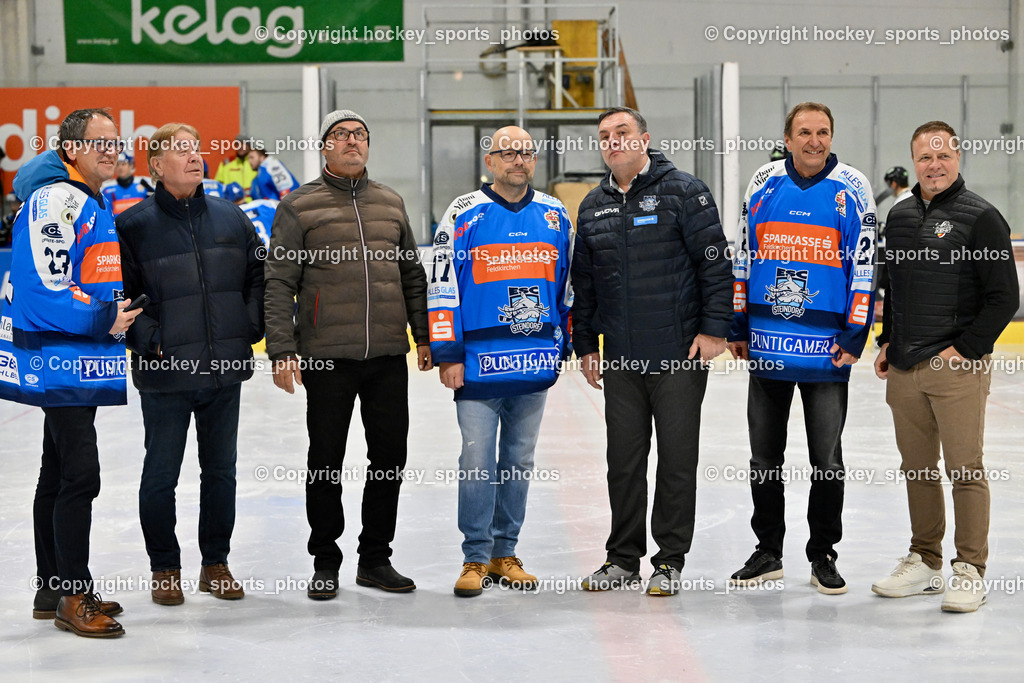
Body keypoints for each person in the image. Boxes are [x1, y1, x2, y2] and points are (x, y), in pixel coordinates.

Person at [264, 109, 431, 600]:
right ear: (324, 147)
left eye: (359, 134)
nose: (352, 141)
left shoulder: (390, 202)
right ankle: (325, 559)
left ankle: (376, 558)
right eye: (340, 135)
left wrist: (424, 336)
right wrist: (281, 349)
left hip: (384, 354)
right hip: (326, 355)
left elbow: (411, 276)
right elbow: (279, 281)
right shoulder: (298, 206)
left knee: (388, 458)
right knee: (326, 459)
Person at [572, 107, 733, 596]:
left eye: (623, 132)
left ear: (644, 138)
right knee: (623, 461)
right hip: (621, 356)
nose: (614, 141)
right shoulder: (593, 205)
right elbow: (585, 285)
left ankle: (668, 561)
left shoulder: (684, 191)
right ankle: (621, 558)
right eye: (605, 136)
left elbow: (715, 266)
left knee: (676, 460)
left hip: (677, 353)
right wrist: (585, 345)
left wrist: (714, 330)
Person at [0, 108, 141, 637]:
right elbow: (43, 287)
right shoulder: (57, 199)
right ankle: (73, 596)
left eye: (115, 141)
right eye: (99, 142)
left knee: (57, 470)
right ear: (71, 149)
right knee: (81, 474)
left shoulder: (86, 197)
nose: (112, 150)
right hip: (62, 354)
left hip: (76, 355)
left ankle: (52, 585)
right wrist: (104, 317)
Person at [728, 102, 877, 595]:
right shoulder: (763, 182)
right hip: (768, 346)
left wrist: (856, 333)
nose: (815, 141)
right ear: (787, 138)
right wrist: (738, 322)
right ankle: (768, 551)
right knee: (763, 458)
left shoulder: (853, 188)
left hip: (827, 351)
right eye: (804, 132)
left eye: (823, 132)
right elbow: (745, 254)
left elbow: (863, 263)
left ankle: (822, 554)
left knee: (827, 460)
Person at [872, 121, 1019, 613]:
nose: (934, 165)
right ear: (913, 161)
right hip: (905, 366)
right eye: (925, 157)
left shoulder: (982, 218)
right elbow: (892, 287)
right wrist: (886, 341)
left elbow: (1004, 297)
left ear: (956, 158)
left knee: (965, 469)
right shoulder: (899, 216)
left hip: (954, 366)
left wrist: (968, 349)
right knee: (917, 468)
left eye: (943, 156)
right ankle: (925, 559)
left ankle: (969, 568)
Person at [116, 123, 265, 606]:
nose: (194, 156)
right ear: (156, 166)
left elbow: (260, 274)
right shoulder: (132, 226)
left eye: (196, 148)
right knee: (161, 474)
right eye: (180, 150)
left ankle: (215, 563)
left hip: (224, 368)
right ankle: (165, 568)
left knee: (221, 471)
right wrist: (149, 341)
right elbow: (117, 293)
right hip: (165, 374)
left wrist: (248, 326)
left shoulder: (231, 217)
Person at [430, 126, 573, 597]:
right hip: (476, 365)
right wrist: (448, 352)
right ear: (489, 161)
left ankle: (504, 552)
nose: (518, 160)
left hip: (533, 364)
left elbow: (569, 287)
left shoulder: (555, 215)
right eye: (508, 152)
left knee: (518, 460)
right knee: (476, 461)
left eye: (526, 153)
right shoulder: (463, 214)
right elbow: (441, 287)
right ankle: (474, 557)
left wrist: (564, 344)